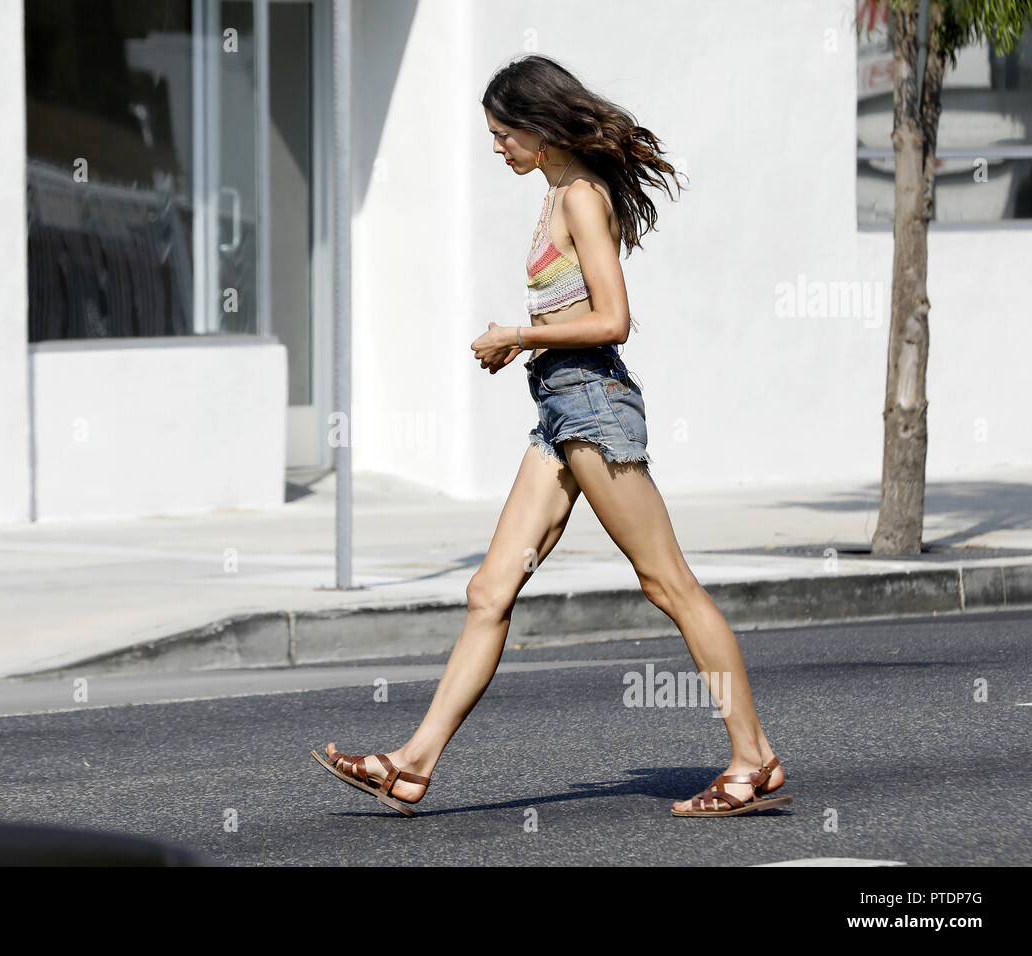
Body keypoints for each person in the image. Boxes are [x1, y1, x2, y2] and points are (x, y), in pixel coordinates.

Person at [311, 54, 790, 818]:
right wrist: (529, 346)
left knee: (669, 585)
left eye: (504, 134)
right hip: (560, 415)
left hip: (594, 407)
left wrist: (519, 334)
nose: (496, 147)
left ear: (540, 129)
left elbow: (613, 319)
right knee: (488, 590)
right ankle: (409, 765)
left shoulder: (582, 198)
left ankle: (753, 758)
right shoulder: (556, 194)